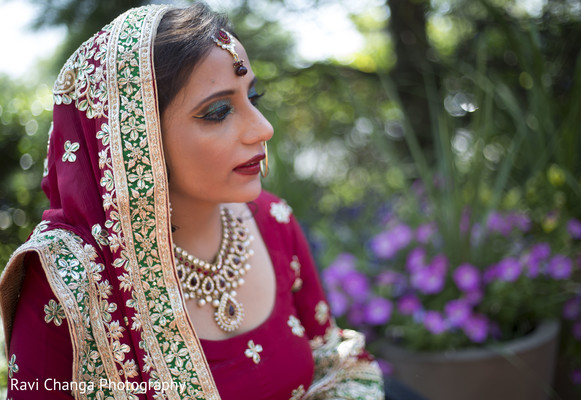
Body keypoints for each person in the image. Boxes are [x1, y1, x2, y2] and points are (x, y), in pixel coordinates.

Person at [0, 3, 384, 399]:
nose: (262, 128)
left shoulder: (274, 220)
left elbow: (338, 366)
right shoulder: (67, 281)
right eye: (218, 111)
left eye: (254, 97)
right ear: (134, 138)